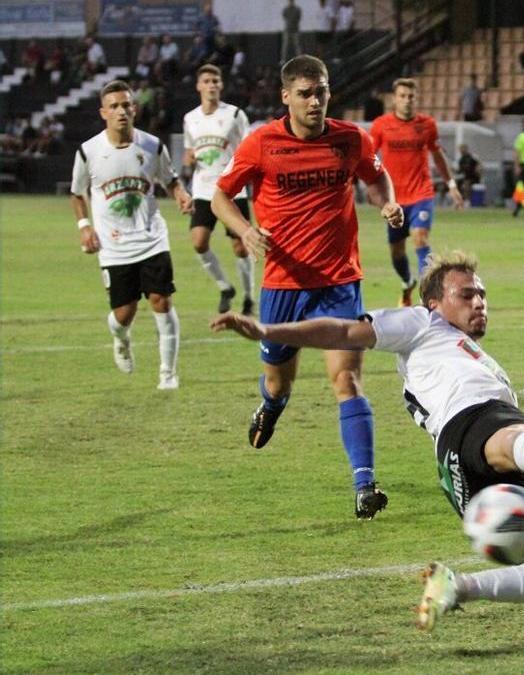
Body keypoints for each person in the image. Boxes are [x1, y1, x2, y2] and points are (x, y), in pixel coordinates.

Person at [209, 251, 524, 631]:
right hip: (472, 424)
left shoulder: (477, 356)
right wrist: (268, 329)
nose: (479, 302)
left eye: (482, 294)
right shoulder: (421, 323)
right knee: (511, 432)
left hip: (464, 469)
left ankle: (457, 586)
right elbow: (342, 332)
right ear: (435, 302)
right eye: (465, 294)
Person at [210, 55, 405, 519]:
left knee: (348, 379)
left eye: (320, 91)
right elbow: (220, 196)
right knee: (280, 380)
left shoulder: (350, 138)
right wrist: (245, 229)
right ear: (286, 97)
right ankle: (272, 403)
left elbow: (377, 179)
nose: (314, 101)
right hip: (284, 285)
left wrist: (388, 204)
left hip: (340, 280)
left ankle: (364, 484)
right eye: (304, 93)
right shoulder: (262, 144)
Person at [70, 79, 193, 390]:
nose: (121, 111)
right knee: (124, 313)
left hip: (152, 238)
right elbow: (76, 193)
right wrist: (84, 228)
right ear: (103, 112)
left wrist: (180, 194)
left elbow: (171, 179)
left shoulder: (153, 146)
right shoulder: (88, 152)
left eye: (126, 105)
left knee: (161, 301)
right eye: (114, 106)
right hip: (113, 246)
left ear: (135, 109)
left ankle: (168, 374)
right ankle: (120, 337)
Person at [370, 78, 464, 306]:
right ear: (395, 99)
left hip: (421, 194)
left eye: (411, 96)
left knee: (420, 238)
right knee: (397, 252)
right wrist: (376, 192)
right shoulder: (382, 125)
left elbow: (438, 155)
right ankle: (407, 282)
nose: (407, 100)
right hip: (394, 200)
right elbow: (369, 158)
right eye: (402, 96)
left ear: (417, 98)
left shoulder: (427, 125)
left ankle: (428, 294)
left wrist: (451, 185)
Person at [182, 64, 255, 315]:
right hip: (203, 189)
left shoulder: (235, 115)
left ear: (221, 85)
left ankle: (248, 296)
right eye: (207, 81)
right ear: (198, 86)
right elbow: (189, 149)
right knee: (199, 242)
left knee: (241, 247)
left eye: (215, 80)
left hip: (232, 189)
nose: (211, 85)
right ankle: (225, 287)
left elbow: (248, 148)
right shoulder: (190, 118)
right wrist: (189, 158)